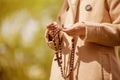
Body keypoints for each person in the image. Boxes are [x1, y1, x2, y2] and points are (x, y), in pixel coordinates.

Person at [45, 0, 120, 80]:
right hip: (60, 75)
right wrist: (54, 35)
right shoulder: (66, 2)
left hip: (97, 73)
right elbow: (61, 39)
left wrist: (86, 29)